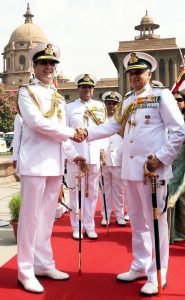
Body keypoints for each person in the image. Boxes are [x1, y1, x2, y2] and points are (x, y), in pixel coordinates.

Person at [77, 52, 185, 296]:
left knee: (155, 223)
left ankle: (159, 271)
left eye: (139, 72)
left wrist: (162, 158)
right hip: (131, 171)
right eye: (131, 73)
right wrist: (87, 132)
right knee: (137, 222)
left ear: (149, 74)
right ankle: (139, 264)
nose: (134, 76)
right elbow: (113, 126)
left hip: (152, 171)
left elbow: (178, 130)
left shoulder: (161, 96)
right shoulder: (127, 101)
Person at [16, 43, 85, 294]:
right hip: (34, 164)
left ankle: (44, 263)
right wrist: (71, 132)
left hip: (55, 165)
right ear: (34, 66)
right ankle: (25, 270)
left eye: (52, 64)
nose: (48, 67)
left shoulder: (57, 97)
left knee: (47, 218)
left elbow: (61, 137)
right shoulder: (26, 92)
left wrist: (74, 156)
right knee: (29, 219)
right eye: (43, 63)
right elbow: (36, 123)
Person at [64, 74, 107, 240]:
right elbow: (65, 134)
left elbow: (104, 131)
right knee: (75, 193)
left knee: (92, 193)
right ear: (78, 89)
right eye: (83, 87)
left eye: (89, 87)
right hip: (76, 156)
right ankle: (77, 226)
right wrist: (72, 155)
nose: (87, 90)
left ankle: (89, 225)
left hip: (94, 156)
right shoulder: (69, 108)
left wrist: (103, 149)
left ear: (93, 89)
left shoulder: (99, 106)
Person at [100, 91, 126, 226]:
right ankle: (105, 215)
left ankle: (120, 215)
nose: (111, 106)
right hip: (104, 160)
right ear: (105, 105)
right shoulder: (100, 120)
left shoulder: (122, 120)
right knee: (105, 190)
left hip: (118, 159)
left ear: (118, 105)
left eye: (114, 104)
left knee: (119, 190)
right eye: (109, 103)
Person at [167, 91, 185, 243]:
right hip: (168, 163)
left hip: (183, 163)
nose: (177, 102)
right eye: (174, 100)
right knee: (169, 197)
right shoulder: (165, 119)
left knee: (182, 198)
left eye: (180, 99)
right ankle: (170, 233)